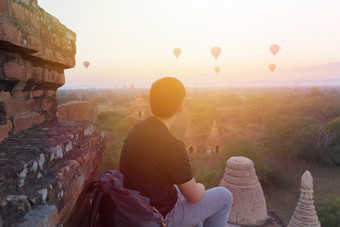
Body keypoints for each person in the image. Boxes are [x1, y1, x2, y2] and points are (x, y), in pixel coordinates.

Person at [119, 77, 233, 227]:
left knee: (180, 187)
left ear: (151, 104)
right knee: (224, 196)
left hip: (135, 208)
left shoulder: (136, 130)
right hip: (158, 216)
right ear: (180, 107)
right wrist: (201, 187)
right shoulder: (172, 145)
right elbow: (194, 196)